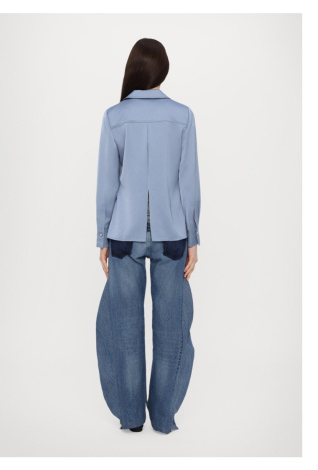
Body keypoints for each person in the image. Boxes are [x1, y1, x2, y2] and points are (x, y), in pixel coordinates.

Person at [95, 38, 201, 434]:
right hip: (173, 235)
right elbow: (188, 182)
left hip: (123, 234)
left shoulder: (115, 116)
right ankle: (163, 417)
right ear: (163, 70)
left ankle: (131, 417)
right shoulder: (183, 116)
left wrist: (102, 237)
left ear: (134, 69)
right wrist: (193, 237)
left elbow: (107, 184)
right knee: (173, 328)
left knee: (123, 327)